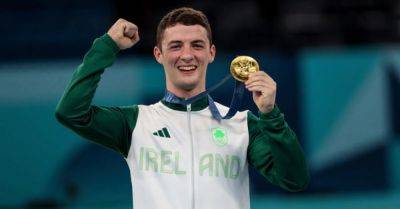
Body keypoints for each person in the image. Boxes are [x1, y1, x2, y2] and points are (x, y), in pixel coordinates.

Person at [55, 7, 309, 209]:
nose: (187, 55)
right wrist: (107, 46)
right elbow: (70, 113)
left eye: (196, 45)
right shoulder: (136, 122)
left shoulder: (243, 124)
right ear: (158, 54)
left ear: (211, 53)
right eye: (176, 45)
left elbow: (294, 179)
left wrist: (271, 115)